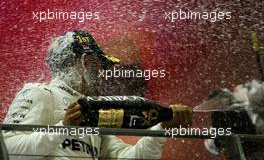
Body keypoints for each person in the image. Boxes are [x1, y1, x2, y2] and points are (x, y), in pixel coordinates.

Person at [3, 30, 193, 160]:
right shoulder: (40, 93)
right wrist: (65, 127)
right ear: (86, 63)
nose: (103, 74)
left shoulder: (92, 110)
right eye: (99, 65)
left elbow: (128, 157)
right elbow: (8, 150)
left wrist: (161, 128)